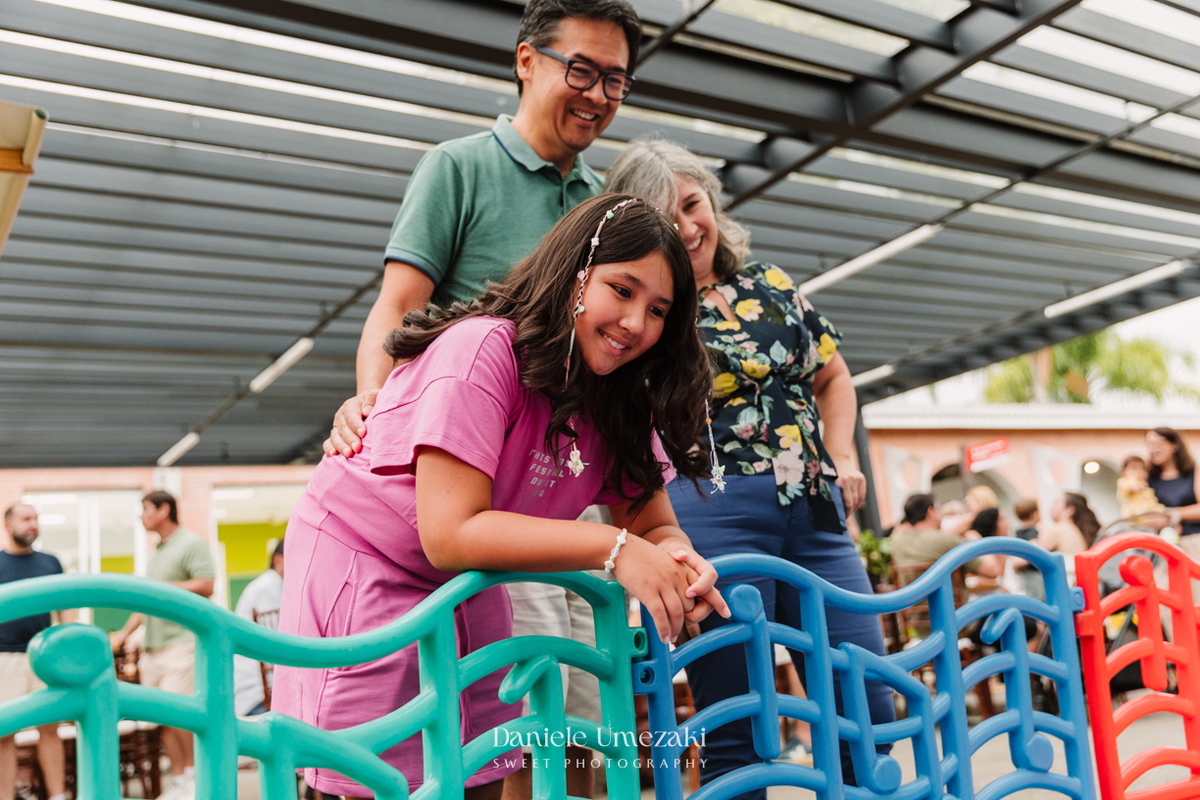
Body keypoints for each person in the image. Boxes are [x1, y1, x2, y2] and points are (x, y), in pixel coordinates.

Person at [274, 196, 729, 799]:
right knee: (379, 773)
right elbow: (449, 532)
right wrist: (615, 549)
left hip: (475, 574)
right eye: (622, 290)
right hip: (370, 559)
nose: (636, 323)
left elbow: (650, 523)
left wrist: (676, 558)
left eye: (658, 310)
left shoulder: (619, 396)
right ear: (576, 274)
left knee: (486, 756)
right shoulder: (485, 348)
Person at [323, 5, 640, 793]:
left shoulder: (607, 205)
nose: (599, 95)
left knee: (597, 713)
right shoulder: (457, 167)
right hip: (492, 481)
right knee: (525, 713)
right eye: (582, 69)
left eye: (616, 79)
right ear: (526, 61)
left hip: (580, 485)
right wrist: (371, 407)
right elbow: (395, 314)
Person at [603, 138, 893, 793]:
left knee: (865, 699)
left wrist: (842, 453)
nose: (686, 226)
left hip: (815, 512)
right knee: (739, 720)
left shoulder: (770, 283)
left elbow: (835, 376)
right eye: (662, 215)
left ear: (711, 200)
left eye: (692, 203)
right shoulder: (651, 310)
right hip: (714, 512)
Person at [109, 491, 215, 800]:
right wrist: (123, 635)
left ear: (163, 509)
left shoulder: (190, 543)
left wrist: (161, 588)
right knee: (162, 718)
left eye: (145, 509)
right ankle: (181, 778)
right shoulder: (158, 551)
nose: (141, 516)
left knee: (180, 714)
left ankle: (197, 777)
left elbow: (206, 584)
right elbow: (147, 603)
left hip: (180, 645)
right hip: (152, 649)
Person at [0, 504, 75, 800]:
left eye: (36, 519)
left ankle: (57, 796)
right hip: (6, 658)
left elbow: (65, 605)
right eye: (26, 519)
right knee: (4, 733)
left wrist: (67, 643)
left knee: (49, 728)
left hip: (44, 657)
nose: (33, 524)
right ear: (8, 525)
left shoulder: (50, 562)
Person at [891, 494, 1003, 579]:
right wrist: (976, 540)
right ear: (931, 512)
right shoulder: (946, 540)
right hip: (949, 608)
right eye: (939, 509)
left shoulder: (896, 540)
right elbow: (993, 571)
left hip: (911, 607)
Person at [233, 539, 285, 717]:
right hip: (259, 694)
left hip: (259, 690)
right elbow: (282, 641)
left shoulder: (269, 585)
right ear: (278, 560)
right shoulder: (268, 588)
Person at [1146, 428, 1198, 548]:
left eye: (1158, 444)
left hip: (1192, 540)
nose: (1152, 450)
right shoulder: (1148, 476)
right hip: (1160, 544)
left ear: (1174, 445)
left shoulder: (1195, 471)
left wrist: (1171, 514)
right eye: (1149, 445)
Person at [1118, 455, 1167, 522]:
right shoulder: (1124, 481)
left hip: (1148, 516)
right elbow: (1127, 487)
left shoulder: (1146, 487)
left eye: (1142, 469)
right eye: (1134, 469)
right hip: (1135, 517)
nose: (1138, 472)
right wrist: (1134, 486)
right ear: (1124, 471)